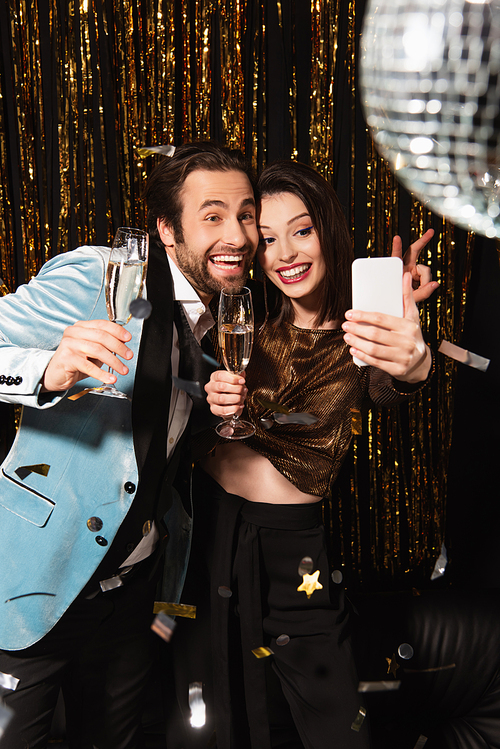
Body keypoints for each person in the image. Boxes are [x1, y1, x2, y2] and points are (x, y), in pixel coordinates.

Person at [0, 141, 259, 749]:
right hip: (33, 583)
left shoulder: (213, 318)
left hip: (133, 590)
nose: (239, 235)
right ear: (167, 229)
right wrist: (47, 371)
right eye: (213, 215)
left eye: (247, 214)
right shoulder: (99, 276)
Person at [175, 159, 436, 749]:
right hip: (205, 530)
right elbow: (182, 407)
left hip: (294, 549)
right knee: (211, 716)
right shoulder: (239, 315)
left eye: (301, 230)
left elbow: (395, 380)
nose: (285, 252)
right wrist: (211, 399)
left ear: (327, 231)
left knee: (336, 723)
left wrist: (413, 358)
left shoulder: (362, 328)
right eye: (265, 238)